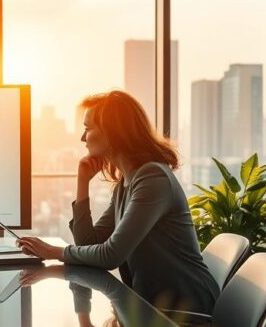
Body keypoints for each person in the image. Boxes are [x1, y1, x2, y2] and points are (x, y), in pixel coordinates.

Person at [16, 90, 219, 315]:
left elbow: (111, 255)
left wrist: (53, 251)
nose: (83, 138)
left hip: (187, 310)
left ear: (113, 133)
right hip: (154, 309)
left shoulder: (152, 178)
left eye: (88, 128)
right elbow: (88, 243)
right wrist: (82, 182)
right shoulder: (127, 183)